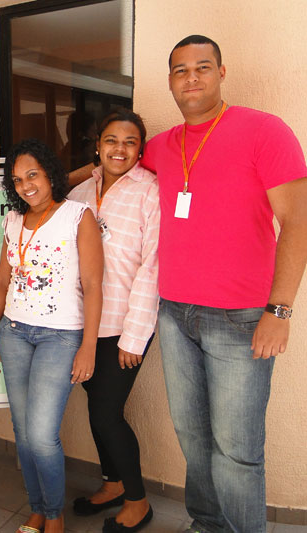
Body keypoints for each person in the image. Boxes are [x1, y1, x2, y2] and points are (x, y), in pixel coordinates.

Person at [70, 35, 307, 533]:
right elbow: (108, 166)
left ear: (221, 72)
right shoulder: (161, 146)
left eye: (202, 67)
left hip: (242, 318)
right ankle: (207, 524)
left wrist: (280, 310)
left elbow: (298, 223)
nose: (191, 77)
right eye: (180, 70)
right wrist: (47, 185)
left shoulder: (265, 131)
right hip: (175, 315)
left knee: (237, 449)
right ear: (170, 81)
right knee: (193, 437)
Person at [0, 138, 103, 533]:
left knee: (40, 434)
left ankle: (54, 515)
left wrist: (89, 346)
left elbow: (93, 285)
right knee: (22, 432)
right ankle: (37, 508)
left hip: (60, 337)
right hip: (14, 332)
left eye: (32, 175)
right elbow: (1, 282)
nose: (26, 186)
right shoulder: (12, 220)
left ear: (51, 173)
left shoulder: (77, 216)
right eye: (17, 180)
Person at [68, 109, 159, 533]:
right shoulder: (80, 192)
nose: (119, 149)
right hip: (84, 323)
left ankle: (138, 501)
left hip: (124, 325)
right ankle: (113, 483)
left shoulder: (150, 192)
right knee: (96, 406)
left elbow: (152, 268)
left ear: (140, 150)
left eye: (130, 142)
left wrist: (134, 338)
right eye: (111, 140)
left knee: (107, 413)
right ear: (97, 145)